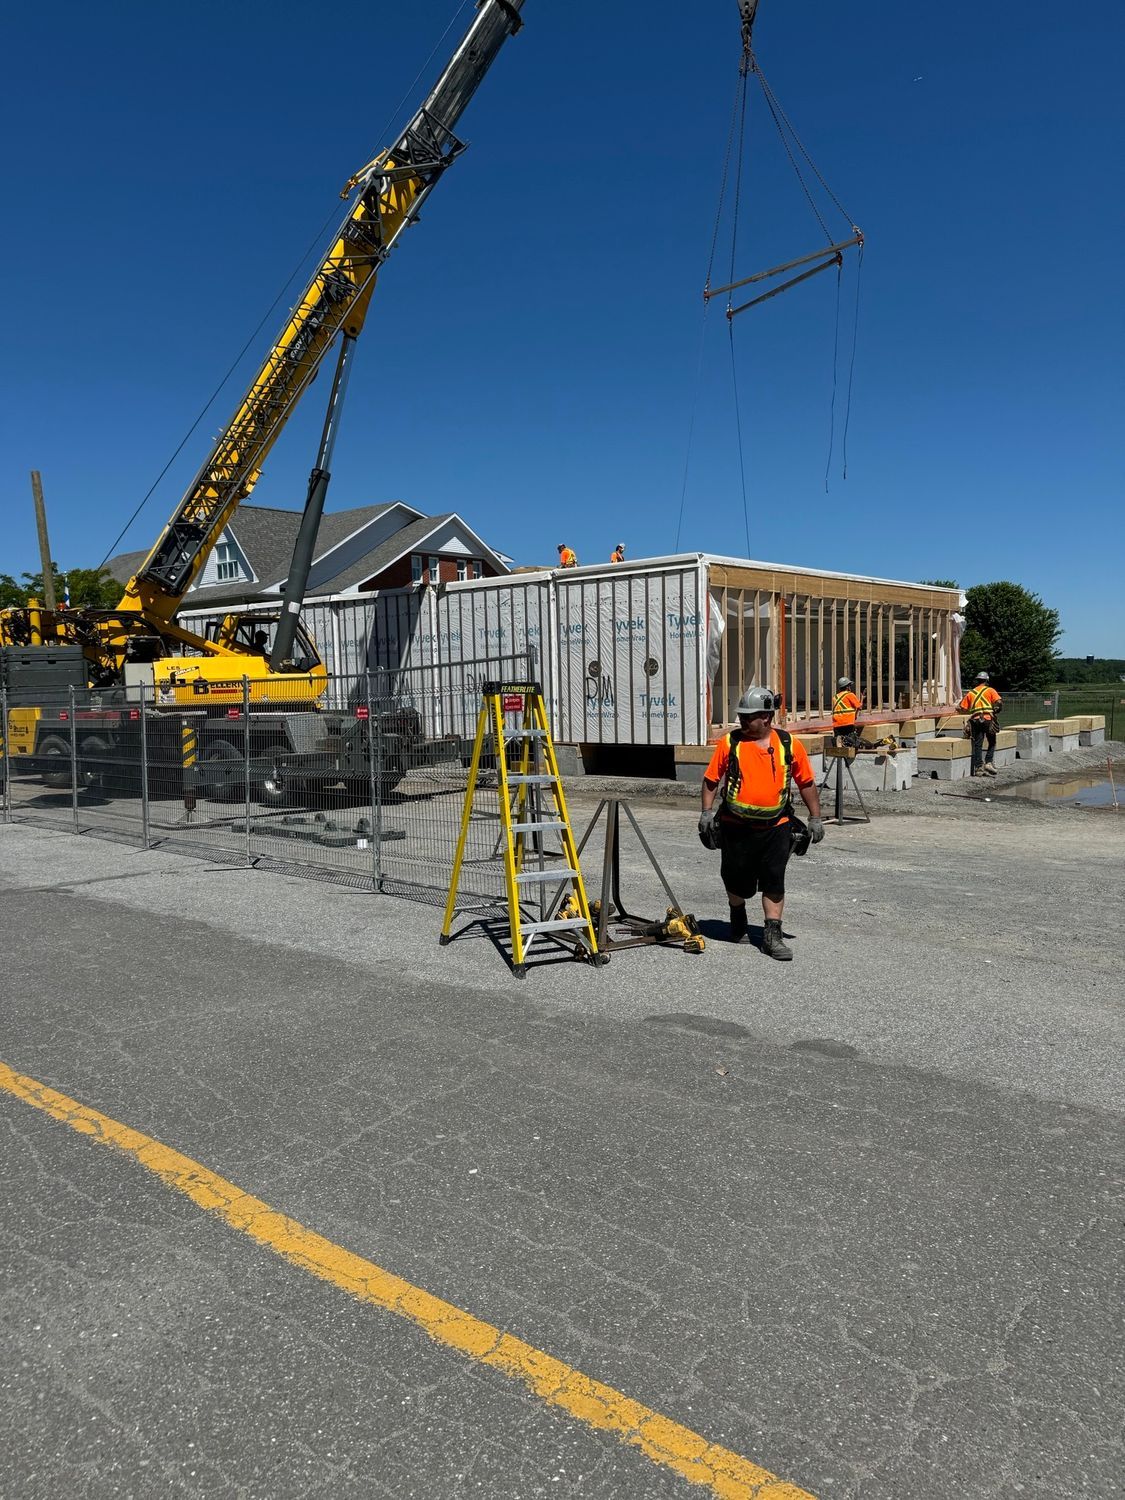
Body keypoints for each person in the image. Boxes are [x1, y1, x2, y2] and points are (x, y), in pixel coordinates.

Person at [698, 685, 824, 961]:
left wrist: (815, 817)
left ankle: (772, 936)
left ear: (766, 717)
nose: (741, 721)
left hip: (776, 827)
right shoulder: (730, 743)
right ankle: (738, 915)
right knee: (734, 878)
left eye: (748, 716)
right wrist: (707, 813)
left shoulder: (789, 745)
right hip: (735, 826)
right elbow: (710, 780)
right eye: (740, 716)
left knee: (774, 880)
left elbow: (806, 783)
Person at [959, 670, 1003, 776]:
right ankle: (988, 762)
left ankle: (978, 768)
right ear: (986, 680)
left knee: (978, 744)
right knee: (992, 741)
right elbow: (999, 703)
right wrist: (995, 711)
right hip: (988, 719)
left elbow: (963, 708)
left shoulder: (971, 693)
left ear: (977, 680)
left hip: (975, 720)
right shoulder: (990, 690)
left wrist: (957, 708)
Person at [831, 675, 864, 745]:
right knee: (850, 742)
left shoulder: (835, 697)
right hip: (847, 722)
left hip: (836, 724)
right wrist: (862, 699)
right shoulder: (850, 695)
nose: (850, 687)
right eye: (849, 686)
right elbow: (859, 707)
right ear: (847, 687)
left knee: (839, 742)